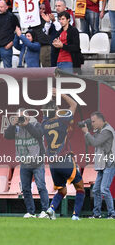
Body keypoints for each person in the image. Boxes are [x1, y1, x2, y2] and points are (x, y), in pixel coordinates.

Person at [41, 88, 85, 221]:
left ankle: (51, 209)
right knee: (80, 188)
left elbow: (46, 112)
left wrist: (50, 103)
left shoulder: (43, 124)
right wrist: (61, 94)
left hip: (53, 165)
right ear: (56, 111)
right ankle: (75, 216)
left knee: (62, 190)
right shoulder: (62, 121)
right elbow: (74, 105)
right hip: (65, 160)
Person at [4, 109, 49, 218]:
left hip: (37, 162)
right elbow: (7, 136)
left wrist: (27, 124)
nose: (21, 119)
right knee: (25, 189)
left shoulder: (36, 124)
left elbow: (38, 134)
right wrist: (12, 125)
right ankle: (31, 212)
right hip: (24, 162)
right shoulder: (16, 128)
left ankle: (45, 211)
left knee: (41, 186)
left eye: (22, 117)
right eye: (18, 117)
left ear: (28, 116)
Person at [81, 112, 115, 219]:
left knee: (104, 188)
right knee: (96, 189)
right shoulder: (100, 131)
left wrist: (87, 133)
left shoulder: (107, 131)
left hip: (109, 163)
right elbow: (90, 143)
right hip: (102, 164)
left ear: (101, 120)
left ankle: (112, 214)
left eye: (93, 121)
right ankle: (97, 214)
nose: (92, 124)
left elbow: (95, 143)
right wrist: (86, 133)